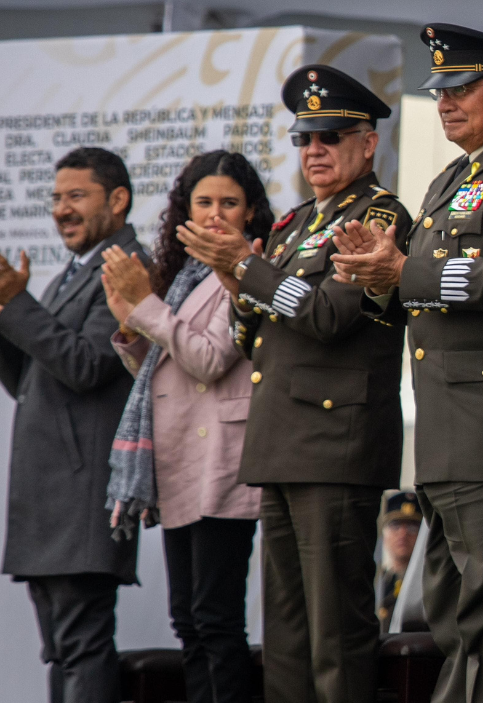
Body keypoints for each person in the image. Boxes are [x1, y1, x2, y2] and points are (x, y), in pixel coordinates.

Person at [330, 24, 483, 703]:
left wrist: (407, 269)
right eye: (440, 91)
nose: (446, 102)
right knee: (452, 611)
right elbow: (421, 282)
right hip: (449, 423)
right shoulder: (459, 173)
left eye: (462, 88)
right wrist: (380, 275)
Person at [178, 65, 412, 703]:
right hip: (283, 440)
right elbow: (255, 334)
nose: (315, 151)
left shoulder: (380, 214)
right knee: (283, 634)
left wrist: (247, 269)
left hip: (335, 443)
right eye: (305, 139)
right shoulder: (295, 223)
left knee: (335, 632)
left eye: (331, 137)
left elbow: (328, 316)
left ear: (368, 143)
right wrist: (239, 283)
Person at [102, 150, 272, 703]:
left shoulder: (245, 268)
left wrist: (145, 307)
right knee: (187, 623)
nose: (215, 214)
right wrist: (132, 324)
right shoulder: (182, 275)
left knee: (215, 619)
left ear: (250, 213)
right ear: (184, 210)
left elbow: (207, 358)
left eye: (229, 203)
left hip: (222, 462)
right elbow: (161, 370)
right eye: (204, 202)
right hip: (177, 461)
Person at [0, 147, 143, 703]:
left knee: (82, 648)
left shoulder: (126, 267)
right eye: (57, 197)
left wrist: (18, 305)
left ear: (118, 200)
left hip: (80, 499)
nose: (61, 208)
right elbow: (35, 382)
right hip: (48, 500)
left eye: (76, 196)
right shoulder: (71, 273)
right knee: (60, 652)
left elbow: (87, 366)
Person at [376, 490, 422, 633]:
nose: (403, 534)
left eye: (412, 527)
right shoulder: (377, 581)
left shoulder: (428, 582)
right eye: (395, 525)